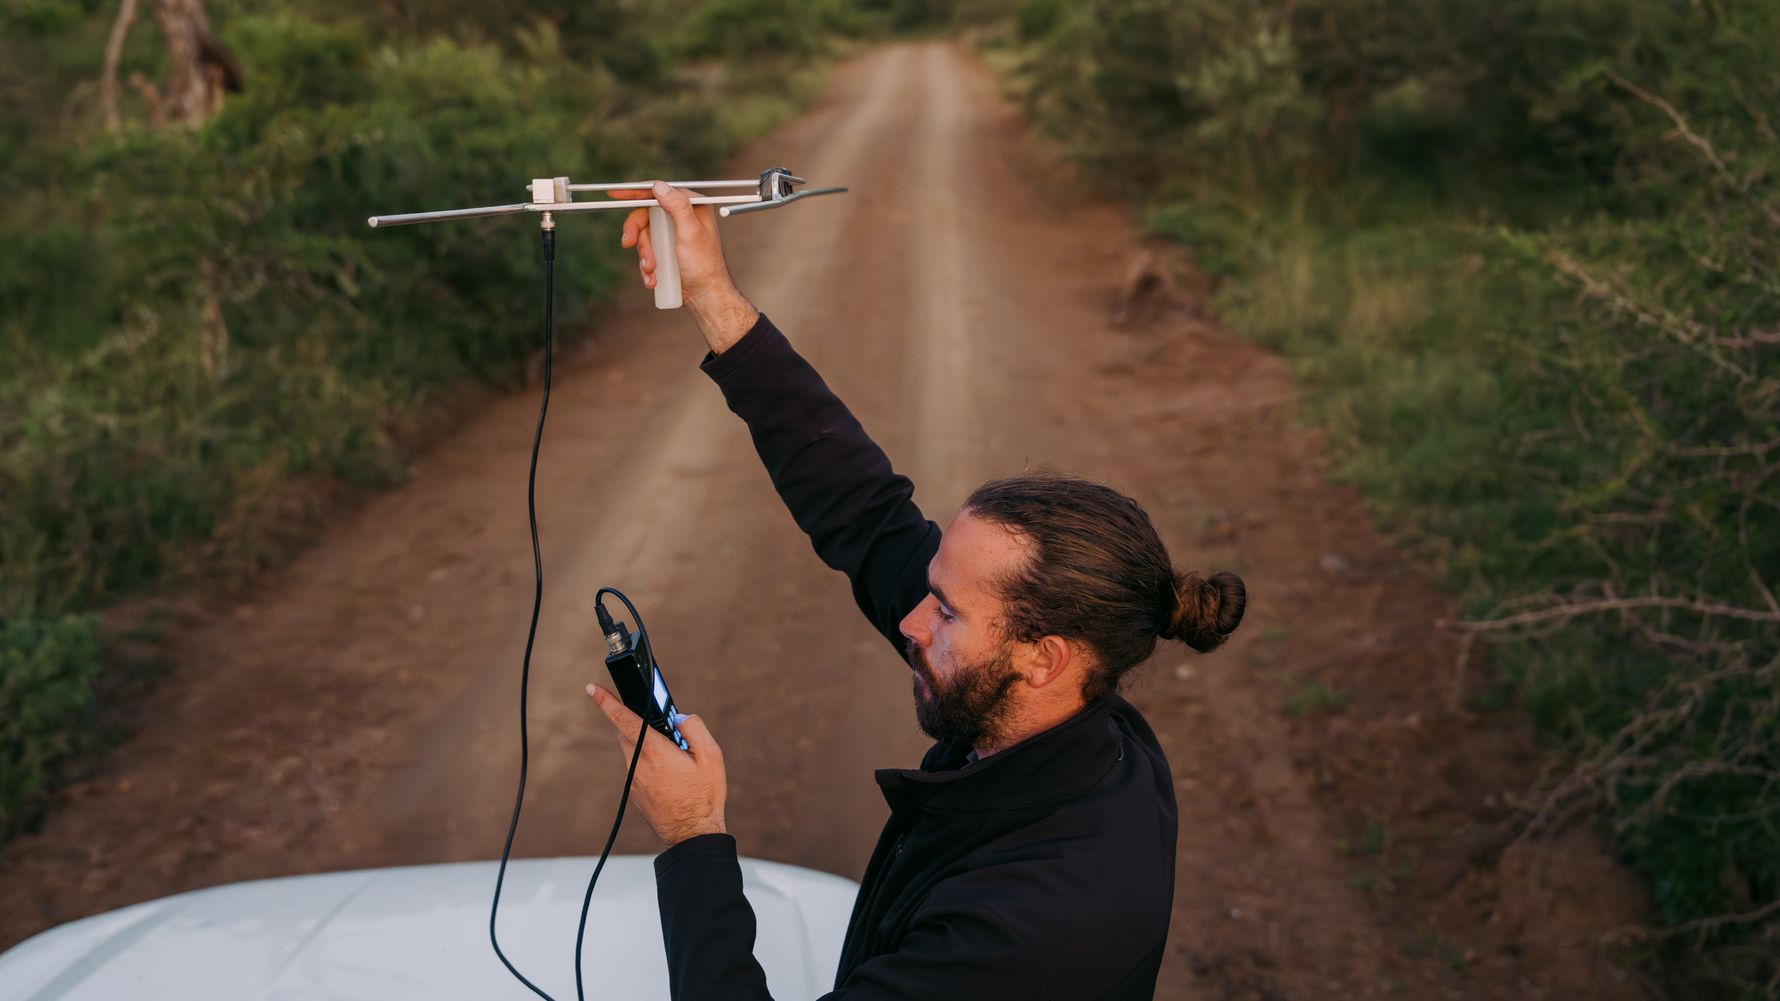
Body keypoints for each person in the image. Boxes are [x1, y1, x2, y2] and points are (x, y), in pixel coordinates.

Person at [585, 181, 1247, 1000]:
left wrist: (691, 836)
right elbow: (864, 511)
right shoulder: (1071, 718)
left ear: (1046, 658)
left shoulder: (1028, 931)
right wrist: (714, 294)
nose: (907, 615)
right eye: (933, 589)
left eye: (947, 610)